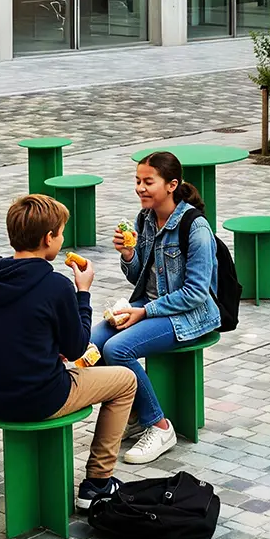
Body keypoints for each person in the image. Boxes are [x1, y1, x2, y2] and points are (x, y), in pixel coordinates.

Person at [0, 195, 138, 510]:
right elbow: (76, 347)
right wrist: (83, 292)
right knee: (126, 381)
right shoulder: (56, 285)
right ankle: (98, 483)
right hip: (39, 395)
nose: (62, 240)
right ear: (48, 238)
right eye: (61, 233)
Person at [92, 151, 221, 464]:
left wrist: (144, 312)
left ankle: (160, 427)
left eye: (148, 182)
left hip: (188, 314)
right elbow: (139, 276)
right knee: (92, 344)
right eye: (138, 181)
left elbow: (195, 293)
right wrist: (128, 254)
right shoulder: (145, 219)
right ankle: (135, 415)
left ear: (172, 185)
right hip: (149, 305)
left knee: (118, 349)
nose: (140, 188)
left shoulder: (195, 227)